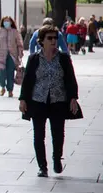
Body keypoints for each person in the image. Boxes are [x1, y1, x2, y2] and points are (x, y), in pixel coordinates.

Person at [19, 25, 80, 177]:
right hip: (38, 100)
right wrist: (23, 99)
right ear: (42, 41)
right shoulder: (34, 59)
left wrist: (73, 98)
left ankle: (57, 158)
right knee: (39, 135)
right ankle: (42, 166)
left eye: (55, 38)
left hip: (58, 100)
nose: (53, 41)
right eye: (50, 38)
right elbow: (27, 80)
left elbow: (70, 79)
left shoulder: (63, 58)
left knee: (58, 133)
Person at [0, 16, 23, 98]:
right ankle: (2, 87)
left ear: (11, 22)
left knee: (10, 73)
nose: (6, 23)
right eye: (5, 21)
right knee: (1, 72)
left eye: (8, 21)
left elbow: (19, 43)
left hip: (12, 55)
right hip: (1, 55)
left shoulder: (15, 32)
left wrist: (20, 52)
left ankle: (10, 90)